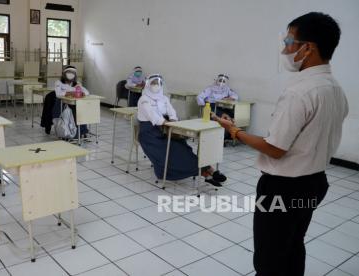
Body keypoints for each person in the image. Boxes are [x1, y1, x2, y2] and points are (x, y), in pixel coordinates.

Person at [214, 12, 348, 276]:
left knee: (269, 257)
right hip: (314, 184)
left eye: (289, 41)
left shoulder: (300, 92)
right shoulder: (334, 89)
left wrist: (235, 131)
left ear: (308, 48)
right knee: (294, 245)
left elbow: (275, 148)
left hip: (283, 190)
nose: (285, 48)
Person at [137, 74, 226, 186]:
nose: (156, 86)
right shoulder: (143, 99)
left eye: (158, 83)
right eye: (154, 83)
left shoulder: (164, 98)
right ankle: (206, 173)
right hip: (150, 135)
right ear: (148, 84)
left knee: (183, 147)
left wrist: (174, 120)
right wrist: (166, 123)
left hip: (165, 130)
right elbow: (152, 115)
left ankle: (209, 171)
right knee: (174, 152)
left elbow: (171, 111)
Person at [53, 65, 90, 137]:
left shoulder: (77, 83)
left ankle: (81, 131)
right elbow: (58, 94)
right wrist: (71, 93)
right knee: (74, 112)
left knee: (80, 112)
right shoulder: (59, 82)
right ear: (64, 74)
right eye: (69, 72)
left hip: (74, 104)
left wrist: (82, 93)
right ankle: (73, 133)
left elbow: (87, 92)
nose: (70, 74)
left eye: (72, 73)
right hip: (62, 104)